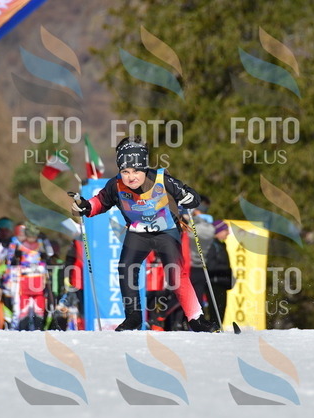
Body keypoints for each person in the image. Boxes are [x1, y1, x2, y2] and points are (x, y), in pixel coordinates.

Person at [69, 135, 217, 332]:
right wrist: (85, 206)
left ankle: (196, 319)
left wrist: (189, 198)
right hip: (138, 232)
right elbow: (100, 202)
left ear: (145, 169)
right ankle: (133, 316)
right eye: (125, 171)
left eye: (136, 171)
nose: (131, 177)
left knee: (175, 273)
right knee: (126, 268)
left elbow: (192, 197)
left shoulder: (162, 179)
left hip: (166, 231)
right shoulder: (115, 185)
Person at [187, 196, 215, 310]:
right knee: (197, 299)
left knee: (186, 299)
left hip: (190, 266)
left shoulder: (195, 225)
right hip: (200, 267)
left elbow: (188, 234)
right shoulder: (210, 226)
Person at [205, 220, 234, 322]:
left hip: (221, 282)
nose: (228, 233)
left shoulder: (220, 244)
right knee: (216, 312)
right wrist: (226, 271)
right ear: (218, 231)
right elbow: (210, 265)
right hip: (214, 283)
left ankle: (217, 328)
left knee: (220, 312)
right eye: (226, 230)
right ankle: (214, 328)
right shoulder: (211, 245)